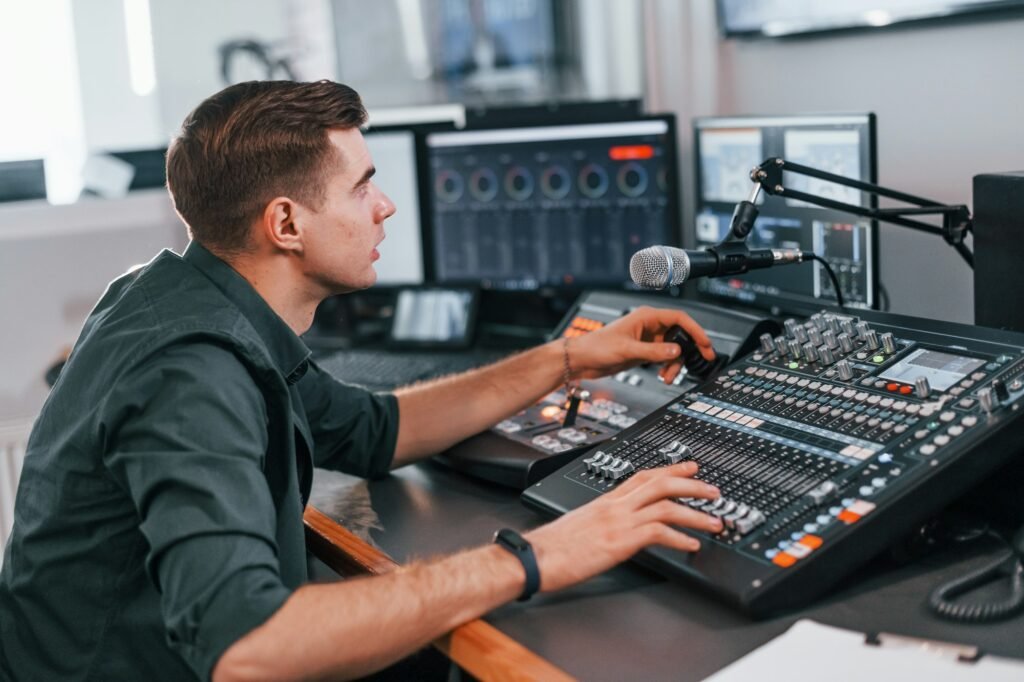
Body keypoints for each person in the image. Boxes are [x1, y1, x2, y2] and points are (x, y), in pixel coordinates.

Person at [0, 80, 723, 681]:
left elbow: (373, 431)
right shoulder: (192, 370)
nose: (385, 207)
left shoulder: (189, 300)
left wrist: (565, 358)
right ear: (286, 222)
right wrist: (541, 555)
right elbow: (246, 643)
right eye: (363, 187)